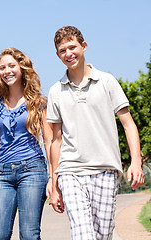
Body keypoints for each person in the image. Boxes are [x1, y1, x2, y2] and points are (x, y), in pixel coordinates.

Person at [47, 26, 145, 240]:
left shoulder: (107, 81)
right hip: (70, 170)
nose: (68, 54)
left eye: (72, 47)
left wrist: (136, 162)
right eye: (62, 51)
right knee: (83, 235)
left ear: (84, 46)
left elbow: (128, 124)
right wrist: (53, 182)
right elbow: (56, 140)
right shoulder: (55, 91)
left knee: (102, 235)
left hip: (105, 169)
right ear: (57, 55)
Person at [0, 47, 52, 240]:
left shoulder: (39, 102)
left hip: (33, 169)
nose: (7, 71)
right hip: (1, 173)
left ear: (22, 67)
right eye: (2, 68)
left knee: (29, 235)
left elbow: (49, 140)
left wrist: (54, 177)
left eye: (11, 66)